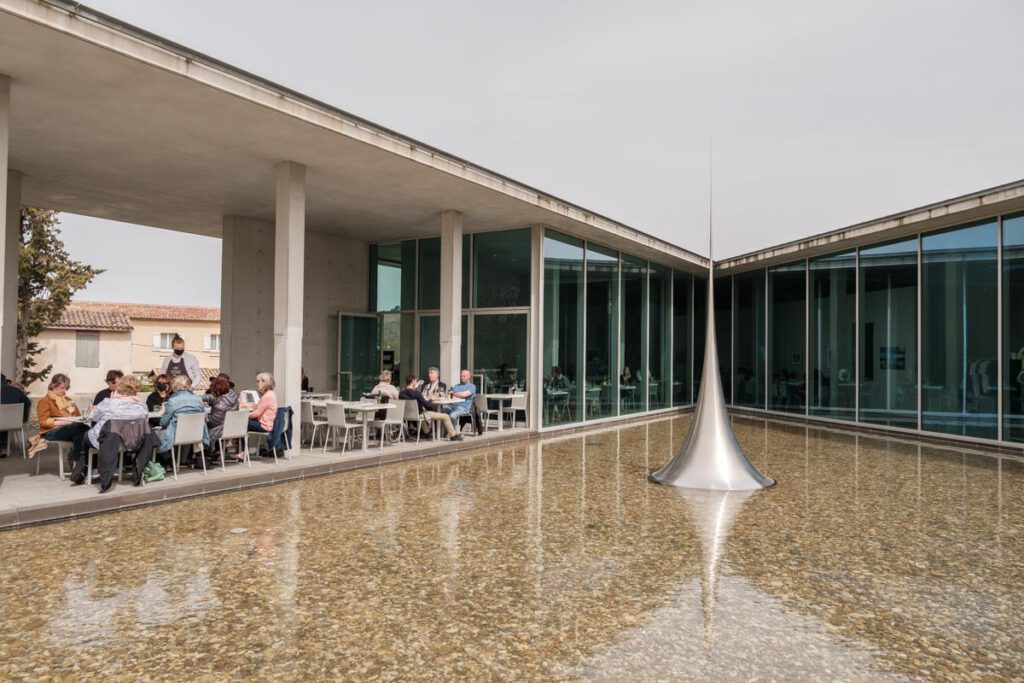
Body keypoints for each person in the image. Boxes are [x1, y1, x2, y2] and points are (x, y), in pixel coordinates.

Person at [79, 374, 150, 489]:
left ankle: (84, 470)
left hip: (108, 441)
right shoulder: (142, 406)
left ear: (120, 387)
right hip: (130, 442)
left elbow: (93, 417)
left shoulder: (109, 402)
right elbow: (144, 422)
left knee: (86, 434)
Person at [28, 374, 90, 465]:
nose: (64, 391)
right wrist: (64, 422)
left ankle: (77, 463)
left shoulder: (69, 400)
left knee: (81, 434)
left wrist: (79, 419)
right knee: (83, 429)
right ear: (54, 385)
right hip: (50, 431)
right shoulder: (45, 401)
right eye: (62, 388)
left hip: (71, 429)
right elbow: (43, 422)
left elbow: (78, 416)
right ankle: (78, 462)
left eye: (66, 388)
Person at [157, 375, 209, 463]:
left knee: (155, 434)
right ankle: (181, 461)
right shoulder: (199, 399)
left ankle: (166, 461)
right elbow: (205, 418)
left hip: (178, 435)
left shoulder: (173, 401)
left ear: (177, 386)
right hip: (195, 434)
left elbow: (164, 423)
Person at [399, 374, 462, 441]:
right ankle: (453, 435)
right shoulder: (416, 393)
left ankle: (427, 433)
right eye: (416, 381)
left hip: (407, 416)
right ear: (413, 381)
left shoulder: (401, 393)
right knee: (446, 416)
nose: (416, 382)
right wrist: (431, 400)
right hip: (419, 415)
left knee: (422, 414)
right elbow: (428, 406)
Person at [206, 375, 240, 459]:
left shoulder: (219, 403)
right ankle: (216, 451)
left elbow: (213, 422)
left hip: (219, 430)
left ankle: (205, 454)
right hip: (231, 428)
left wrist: (205, 417)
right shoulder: (233, 395)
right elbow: (208, 397)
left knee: (200, 425)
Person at [0, 373, 31, 457]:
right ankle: (3, 447)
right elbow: (27, 403)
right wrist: (22, 418)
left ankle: (2, 447)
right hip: (15, 423)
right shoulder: (16, 390)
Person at [243, 372, 278, 440]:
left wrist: (244, 415)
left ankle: (242, 447)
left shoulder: (267, 396)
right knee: (246, 420)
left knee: (242, 421)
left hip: (264, 425)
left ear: (265, 383)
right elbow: (259, 405)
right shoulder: (271, 393)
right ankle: (243, 447)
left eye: (258, 381)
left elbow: (257, 413)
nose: (257, 384)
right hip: (267, 423)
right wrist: (247, 405)